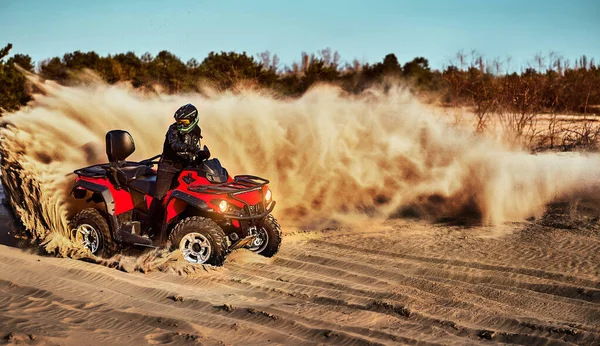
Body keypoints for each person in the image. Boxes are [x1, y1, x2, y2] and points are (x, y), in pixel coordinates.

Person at [146, 103, 203, 234]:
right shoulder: (173, 129)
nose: (181, 125)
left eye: (184, 121)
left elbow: (194, 150)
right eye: (179, 122)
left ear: (193, 120)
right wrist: (187, 148)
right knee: (160, 196)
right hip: (168, 167)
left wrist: (200, 155)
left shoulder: (196, 131)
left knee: (188, 195)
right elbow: (175, 145)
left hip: (185, 167)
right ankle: (148, 227)